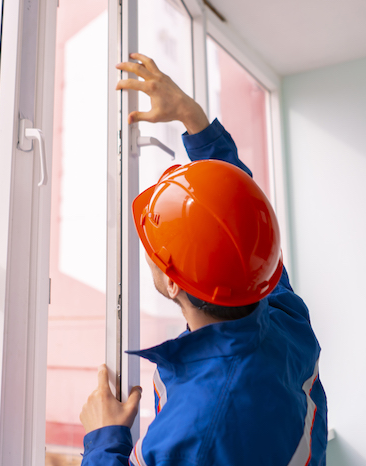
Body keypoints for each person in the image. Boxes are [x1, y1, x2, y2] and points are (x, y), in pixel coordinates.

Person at [78, 53, 327, 466]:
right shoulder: (285, 318)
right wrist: (192, 117)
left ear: (173, 283)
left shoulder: (201, 423)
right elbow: (239, 218)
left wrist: (104, 439)